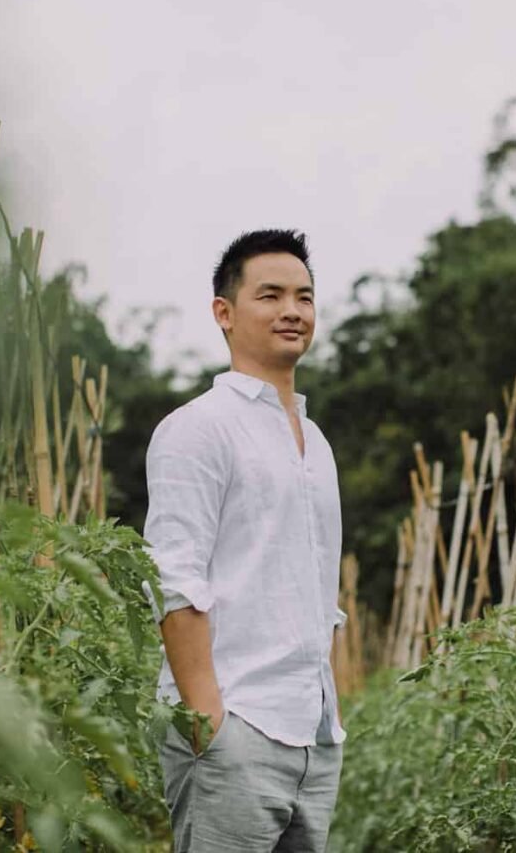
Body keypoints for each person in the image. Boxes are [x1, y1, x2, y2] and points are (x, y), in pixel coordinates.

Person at [141, 229, 347, 852]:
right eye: (271, 295)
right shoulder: (197, 429)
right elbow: (173, 580)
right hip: (237, 727)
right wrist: (208, 720)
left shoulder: (317, 442)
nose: (293, 310)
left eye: (304, 297)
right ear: (224, 313)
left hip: (313, 735)